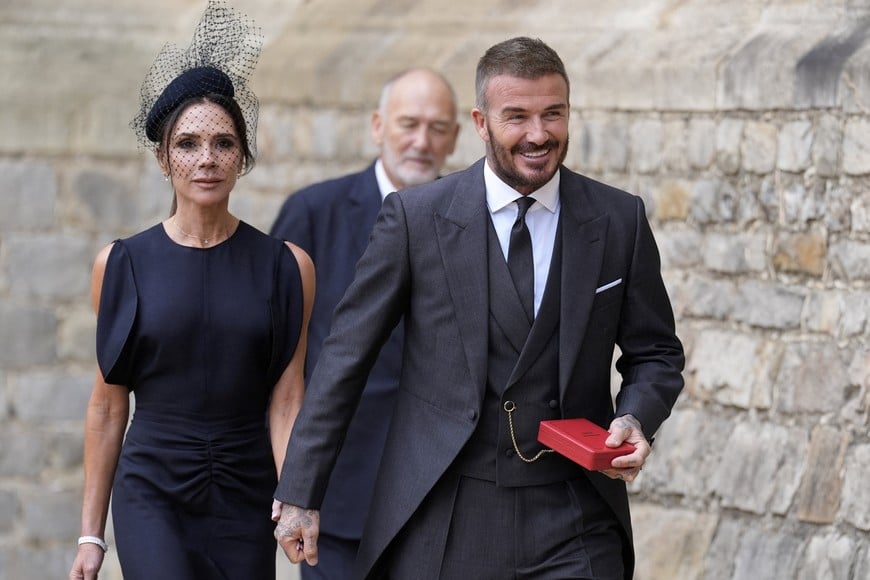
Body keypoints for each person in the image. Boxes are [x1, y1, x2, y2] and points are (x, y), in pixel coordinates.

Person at [274, 36, 685, 580]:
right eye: (517, 116)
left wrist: (635, 415)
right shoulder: (415, 219)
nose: (539, 134)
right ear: (480, 122)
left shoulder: (617, 219)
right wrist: (301, 490)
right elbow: (345, 357)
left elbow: (655, 351)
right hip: (446, 510)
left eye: (553, 114)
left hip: (575, 515)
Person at [68, 2, 315, 579]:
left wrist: (297, 498)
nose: (207, 159)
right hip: (151, 487)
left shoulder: (287, 266)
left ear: (242, 157)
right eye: (188, 143)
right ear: (162, 157)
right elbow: (107, 406)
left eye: (224, 143)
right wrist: (90, 535)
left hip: (247, 488)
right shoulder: (120, 264)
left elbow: (287, 399)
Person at [268, 66, 459, 580]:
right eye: (408, 124)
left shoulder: (474, 221)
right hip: (340, 492)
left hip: (442, 493)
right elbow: (276, 359)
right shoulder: (312, 213)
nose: (422, 141)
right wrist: (294, 480)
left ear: (457, 137)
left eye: (437, 127)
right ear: (378, 126)